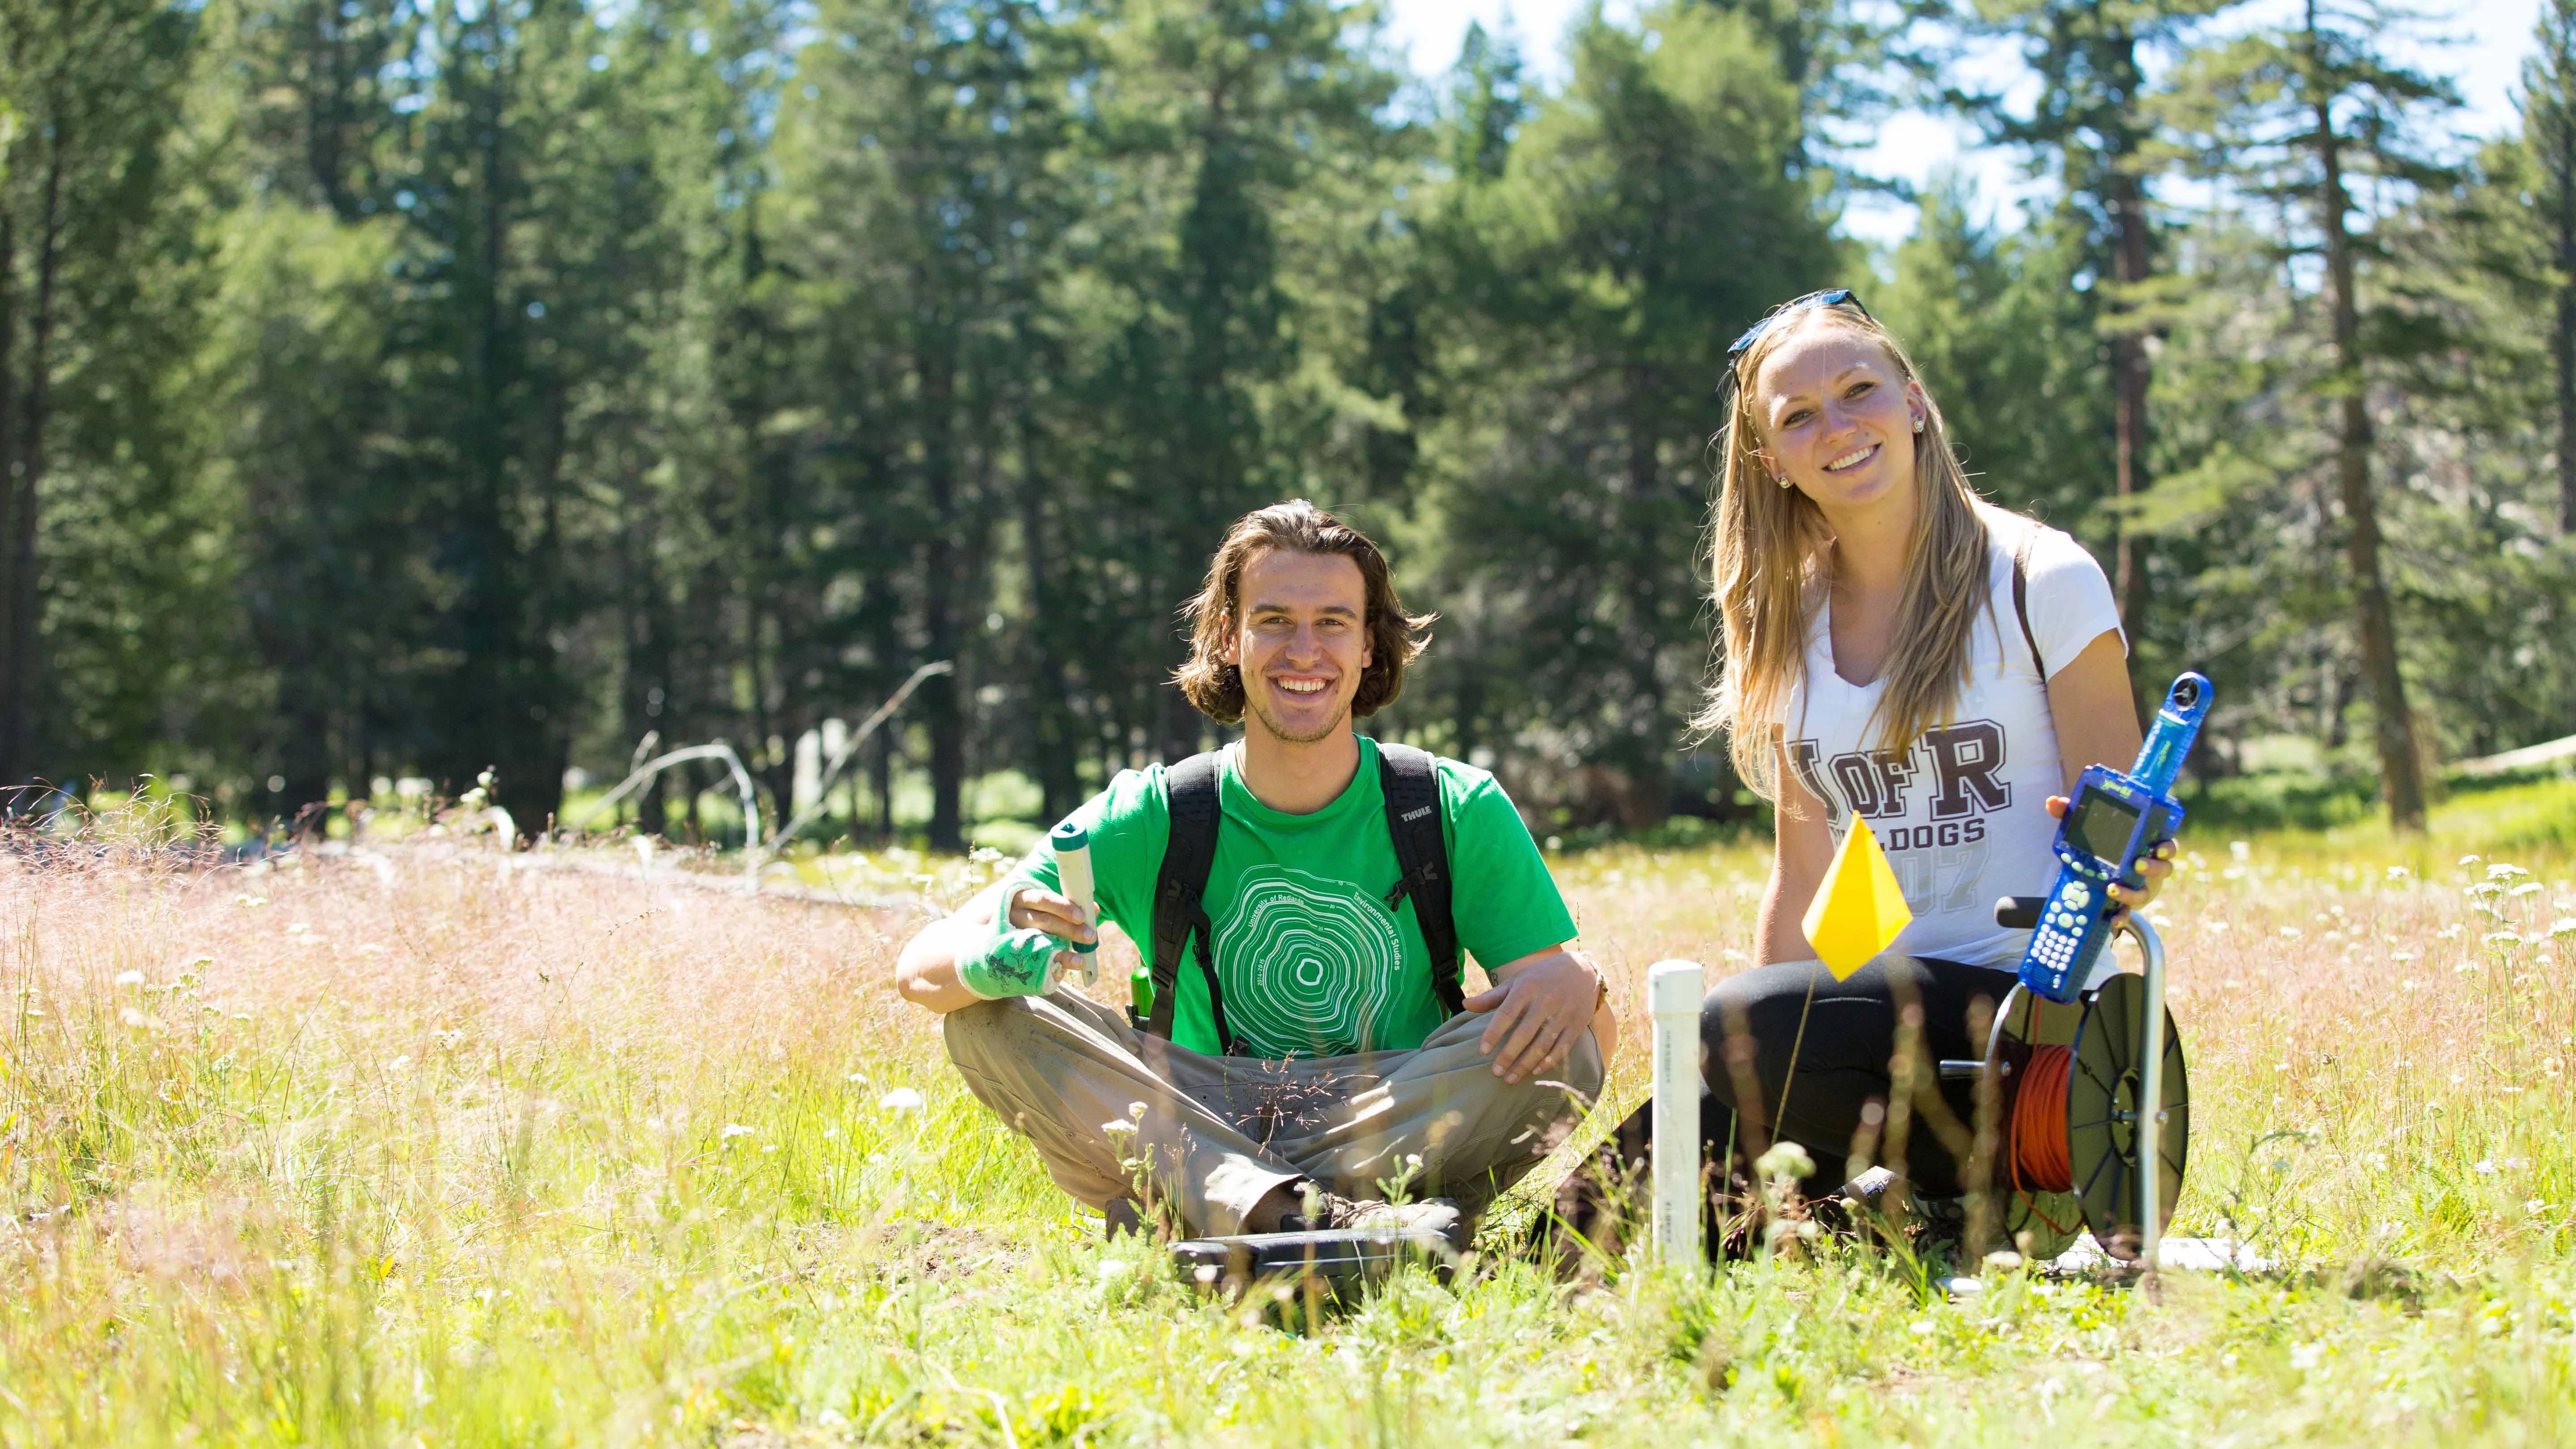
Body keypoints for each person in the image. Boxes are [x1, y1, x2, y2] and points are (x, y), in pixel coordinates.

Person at [896, 500, 1612, 1243]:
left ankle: (1226, 1208)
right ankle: (1329, 1222)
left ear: (1370, 645)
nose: (1304, 650)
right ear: (1229, 639)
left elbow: (1555, 1020)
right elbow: (920, 966)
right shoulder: (1154, 812)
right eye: (1273, 620)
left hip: (1390, 1112)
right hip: (1198, 1109)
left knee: (1576, 1031)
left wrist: (1576, 980)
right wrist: (992, 962)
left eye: (1333, 622)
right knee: (984, 1021)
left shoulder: (1450, 805)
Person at [1682, 289, 2178, 1208]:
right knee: (1653, 1166)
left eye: (1859, 389)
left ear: (1913, 401)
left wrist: (2130, 871)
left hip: (2041, 1032)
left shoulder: (2042, 579)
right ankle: (1451, 1264)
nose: (1838, 426)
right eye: (1798, 417)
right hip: (1874, 1031)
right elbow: (1805, 881)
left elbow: (2123, 844)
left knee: (1738, 1030)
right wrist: (1756, 1048)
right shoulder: (1787, 626)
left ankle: (1915, 1198)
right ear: (1772, 460)